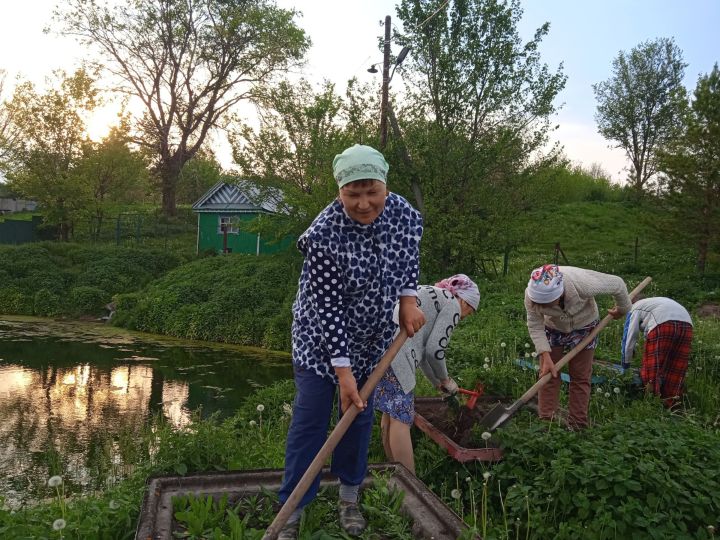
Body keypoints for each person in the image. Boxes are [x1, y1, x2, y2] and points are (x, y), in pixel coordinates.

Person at [277, 144, 425, 539]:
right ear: (339, 190)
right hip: (318, 341)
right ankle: (292, 508)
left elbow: (408, 260)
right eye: (352, 194)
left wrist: (408, 301)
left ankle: (349, 497)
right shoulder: (324, 235)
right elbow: (328, 309)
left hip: (372, 340)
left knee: (358, 421)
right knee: (310, 422)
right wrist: (342, 372)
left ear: (385, 186)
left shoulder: (405, 216)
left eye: (371, 191)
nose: (363, 204)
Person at [374, 274, 480, 475]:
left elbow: (423, 355)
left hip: (379, 343)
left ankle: (391, 469)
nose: (466, 316)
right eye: (470, 310)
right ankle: (409, 483)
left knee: (390, 411)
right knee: (401, 418)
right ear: (465, 301)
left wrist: (437, 382)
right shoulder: (453, 305)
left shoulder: (434, 294)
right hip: (398, 350)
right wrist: (446, 379)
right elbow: (434, 350)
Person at [524, 264, 631, 429]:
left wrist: (623, 310)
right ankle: (546, 422)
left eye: (545, 303)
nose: (541, 307)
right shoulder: (531, 296)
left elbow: (617, 284)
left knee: (580, 376)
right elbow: (534, 325)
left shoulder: (582, 283)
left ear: (559, 293)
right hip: (553, 328)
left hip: (584, 325)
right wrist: (545, 355)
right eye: (538, 303)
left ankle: (577, 425)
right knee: (547, 374)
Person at [620, 296, 693, 408]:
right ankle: (671, 402)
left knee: (653, 367)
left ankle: (651, 403)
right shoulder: (654, 303)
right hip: (686, 323)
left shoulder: (634, 308)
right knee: (676, 367)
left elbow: (629, 338)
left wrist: (625, 365)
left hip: (662, 323)